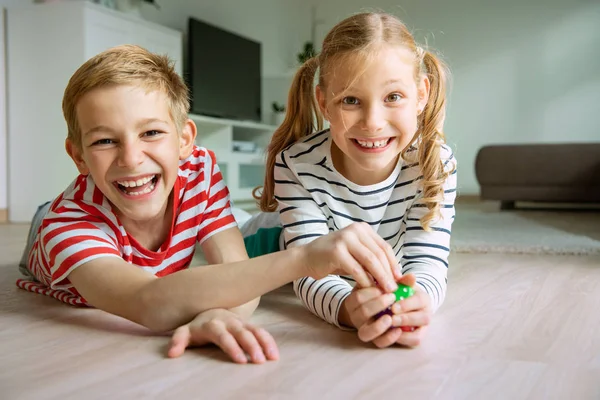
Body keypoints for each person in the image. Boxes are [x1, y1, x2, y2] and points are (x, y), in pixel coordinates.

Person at [16, 44, 402, 364]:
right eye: (104, 141)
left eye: (151, 132)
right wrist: (304, 258)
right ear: (78, 155)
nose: (131, 158)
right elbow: (147, 300)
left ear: (184, 140)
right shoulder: (66, 225)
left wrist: (219, 314)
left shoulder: (198, 167)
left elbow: (239, 274)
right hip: (52, 227)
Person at [250, 12, 458, 349]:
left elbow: (428, 261)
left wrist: (411, 304)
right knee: (207, 256)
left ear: (421, 94)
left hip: (334, 262)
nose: (373, 123)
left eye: (393, 97)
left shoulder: (435, 164)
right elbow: (304, 270)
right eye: (350, 100)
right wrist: (349, 310)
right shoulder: (297, 164)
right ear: (324, 104)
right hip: (264, 242)